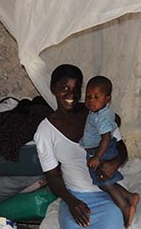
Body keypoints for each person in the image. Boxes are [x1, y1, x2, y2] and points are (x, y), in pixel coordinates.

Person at [34, 64, 128, 229]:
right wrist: (72, 202)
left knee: (113, 221)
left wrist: (114, 163)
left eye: (76, 89)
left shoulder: (97, 113)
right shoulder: (45, 131)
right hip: (75, 197)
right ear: (53, 88)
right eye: (64, 88)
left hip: (109, 192)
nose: (71, 94)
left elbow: (121, 149)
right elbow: (53, 176)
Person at [79, 75, 139, 228]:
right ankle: (130, 197)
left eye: (96, 97)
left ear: (107, 99)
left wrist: (98, 157)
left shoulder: (102, 117)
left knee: (105, 181)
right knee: (104, 183)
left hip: (102, 151)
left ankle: (125, 207)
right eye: (88, 96)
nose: (91, 100)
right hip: (98, 150)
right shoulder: (97, 112)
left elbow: (106, 138)